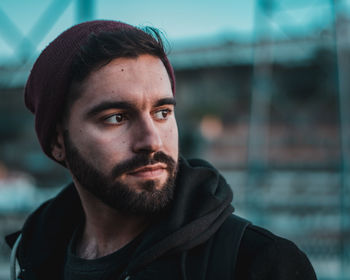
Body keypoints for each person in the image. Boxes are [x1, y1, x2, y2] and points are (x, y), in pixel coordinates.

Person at [6, 20, 317, 280]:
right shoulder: (33, 254)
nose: (152, 140)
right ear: (59, 142)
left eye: (162, 112)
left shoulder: (260, 264)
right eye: (116, 118)